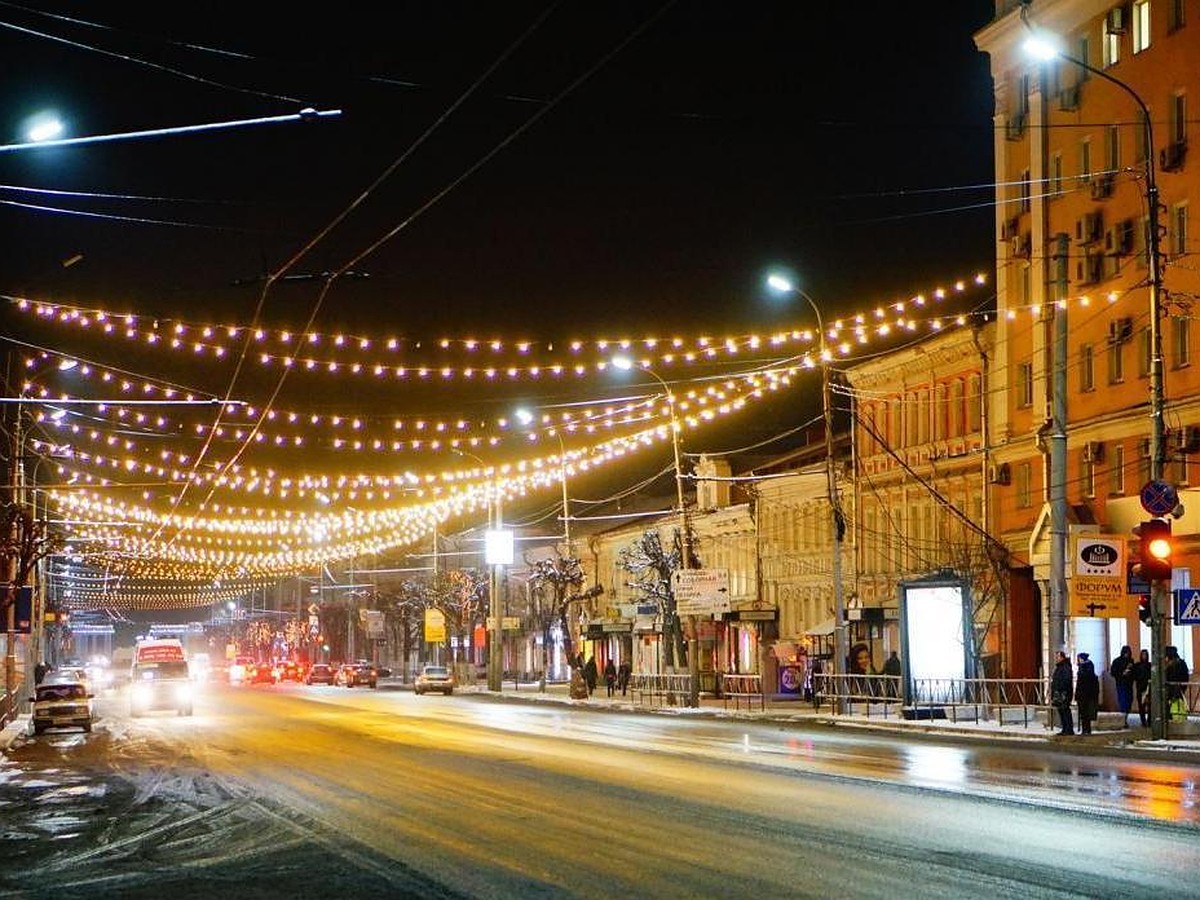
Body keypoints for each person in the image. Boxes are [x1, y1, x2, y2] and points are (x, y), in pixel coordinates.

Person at [1109, 645, 1135, 724]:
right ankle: (1123, 720)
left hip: (1129, 684)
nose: (1127, 654)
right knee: (1123, 702)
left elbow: (1134, 672)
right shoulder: (1117, 661)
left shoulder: (1131, 661)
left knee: (1129, 701)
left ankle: (1125, 717)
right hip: (1121, 683)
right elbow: (1113, 672)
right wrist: (1122, 673)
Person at [1075, 652, 1099, 735]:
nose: (1078, 660)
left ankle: (1086, 729)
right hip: (1084, 694)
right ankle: (1085, 729)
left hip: (1085, 694)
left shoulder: (1085, 668)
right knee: (1084, 713)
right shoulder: (1086, 667)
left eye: (1079, 658)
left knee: (1085, 713)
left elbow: (1083, 681)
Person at [1051, 650, 1074, 736]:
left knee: (1065, 711)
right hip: (1060, 693)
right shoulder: (1060, 667)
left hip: (1064, 693)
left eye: (1057, 657)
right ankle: (1065, 728)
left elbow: (1066, 680)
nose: (1056, 659)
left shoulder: (1065, 667)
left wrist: (1060, 688)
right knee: (1061, 711)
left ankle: (1068, 729)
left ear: (1062, 657)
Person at [1165, 645, 1190, 720]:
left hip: (1175, 689)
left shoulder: (1178, 664)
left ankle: (1176, 718)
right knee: (1174, 704)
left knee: (1175, 704)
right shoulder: (1180, 663)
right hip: (1175, 689)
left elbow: (1184, 676)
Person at [1131, 649, 1152, 727]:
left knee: (1150, 705)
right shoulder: (1137, 665)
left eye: (1145, 655)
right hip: (1140, 688)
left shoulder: (1150, 665)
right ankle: (1143, 721)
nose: (1144, 656)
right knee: (1141, 706)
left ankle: (1149, 720)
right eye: (1143, 655)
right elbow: (1134, 676)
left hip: (1149, 687)